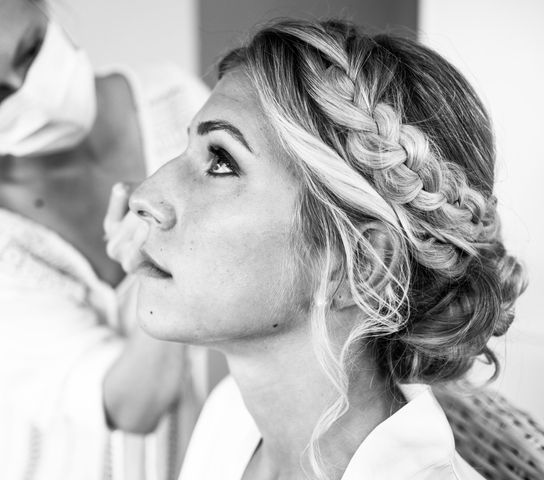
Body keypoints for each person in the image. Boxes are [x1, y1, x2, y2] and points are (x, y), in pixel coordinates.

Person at [106, 18, 527, 480]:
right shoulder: (230, 417)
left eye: (222, 161)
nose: (144, 195)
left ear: (362, 266)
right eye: (188, 149)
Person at [0, 0, 209, 479]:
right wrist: (165, 272)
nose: (34, 93)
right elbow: (135, 407)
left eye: (29, 51)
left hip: (186, 444)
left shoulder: (176, 102)